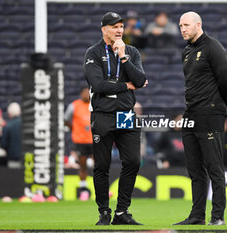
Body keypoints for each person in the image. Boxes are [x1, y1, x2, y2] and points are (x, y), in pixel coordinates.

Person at [83, 12, 147, 225]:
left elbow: (139, 80)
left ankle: (121, 212)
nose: (120, 30)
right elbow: (98, 85)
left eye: (121, 26)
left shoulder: (131, 51)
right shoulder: (93, 52)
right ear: (104, 29)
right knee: (102, 165)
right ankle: (103, 212)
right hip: (102, 115)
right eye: (115, 27)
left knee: (133, 161)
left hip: (126, 115)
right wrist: (124, 86)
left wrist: (123, 57)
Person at [174, 12, 227, 226]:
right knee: (194, 170)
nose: (183, 29)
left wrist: (220, 105)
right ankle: (197, 216)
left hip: (210, 116)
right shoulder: (186, 52)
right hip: (190, 115)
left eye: (186, 25)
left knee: (214, 168)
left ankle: (217, 216)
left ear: (198, 25)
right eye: (180, 25)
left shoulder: (213, 46)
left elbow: (226, 80)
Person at [64, 87, 94, 201]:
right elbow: (65, 119)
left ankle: (101, 189)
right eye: (84, 92)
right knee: (82, 165)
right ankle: (83, 190)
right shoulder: (74, 105)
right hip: (80, 141)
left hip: (94, 139)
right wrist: (74, 129)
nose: (86, 94)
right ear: (81, 94)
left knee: (99, 165)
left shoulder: (95, 104)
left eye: (88, 93)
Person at [0, 102, 22, 168]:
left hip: (12, 158)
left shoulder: (7, 126)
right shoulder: (26, 126)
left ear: (9, 114)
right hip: (25, 158)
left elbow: (3, 144)